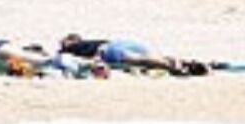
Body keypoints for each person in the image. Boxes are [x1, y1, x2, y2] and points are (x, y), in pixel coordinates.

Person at [57, 34, 213, 75]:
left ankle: (173, 67)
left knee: (140, 61)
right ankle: (186, 62)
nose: (61, 43)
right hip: (124, 42)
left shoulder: (71, 47)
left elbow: (60, 58)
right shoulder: (90, 41)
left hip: (108, 50)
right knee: (150, 57)